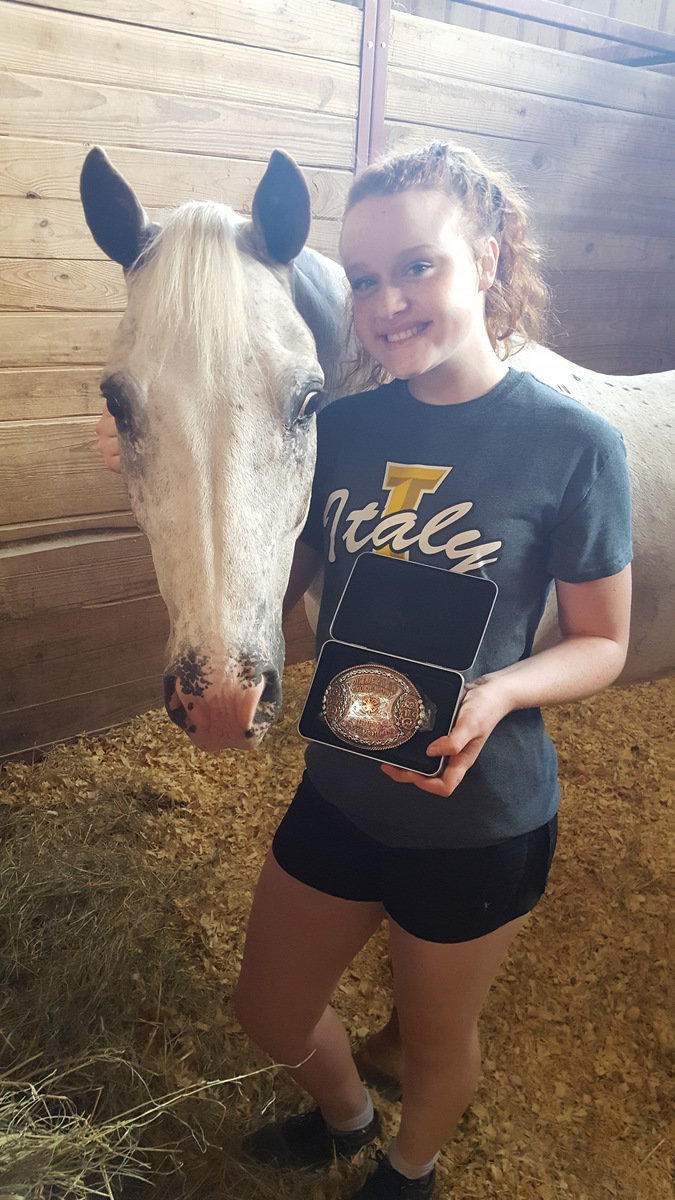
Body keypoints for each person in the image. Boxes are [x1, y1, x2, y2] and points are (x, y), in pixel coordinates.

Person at [96, 143, 632, 1199]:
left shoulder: (574, 445)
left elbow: (603, 643)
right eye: (365, 277)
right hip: (341, 785)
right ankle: (345, 1117)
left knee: (436, 1043)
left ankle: (409, 1165)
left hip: (480, 813)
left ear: (486, 257)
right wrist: (158, 441)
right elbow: (258, 575)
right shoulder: (331, 427)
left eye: (417, 267)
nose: (386, 303)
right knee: (267, 1007)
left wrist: (503, 694)